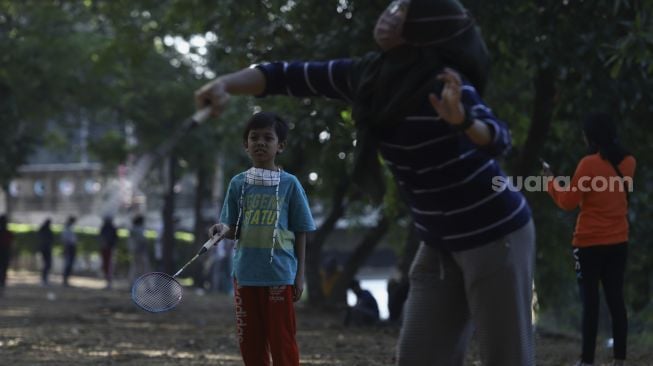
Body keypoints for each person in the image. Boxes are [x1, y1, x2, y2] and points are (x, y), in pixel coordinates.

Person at [195, 1, 535, 364]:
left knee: (506, 357)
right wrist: (225, 84)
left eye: (402, 9)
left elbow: (499, 139)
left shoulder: (446, 85)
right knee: (419, 357)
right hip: (438, 240)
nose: (389, 12)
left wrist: (463, 121)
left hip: (495, 236)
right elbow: (284, 75)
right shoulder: (368, 77)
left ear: (424, 25)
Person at [208, 112, 316, 366]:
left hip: (279, 275)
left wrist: (299, 275)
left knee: (282, 341)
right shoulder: (238, 184)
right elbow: (234, 229)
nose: (260, 142)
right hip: (245, 275)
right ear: (245, 144)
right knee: (251, 342)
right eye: (254, 137)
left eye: (268, 138)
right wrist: (220, 232)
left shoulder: (290, 184)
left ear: (281, 146)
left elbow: (301, 230)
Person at [543, 113, 635, 366]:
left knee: (590, 304)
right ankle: (620, 360)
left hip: (588, 244)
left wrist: (550, 181)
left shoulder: (588, 164)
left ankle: (587, 362)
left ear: (592, 137)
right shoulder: (629, 162)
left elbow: (567, 202)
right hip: (618, 242)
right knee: (616, 300)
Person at [128, 214, 150, 283]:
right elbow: (142, 241)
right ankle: (146, 285)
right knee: (142, 269)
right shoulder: (138, 229)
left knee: (135, 268)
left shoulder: (133, 229)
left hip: (136, 251)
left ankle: (133, 283)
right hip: (139, 251)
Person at [99, 216, 118, 289]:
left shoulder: (110, 228)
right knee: (106, 265)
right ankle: (107, 280)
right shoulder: (106, 228)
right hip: (106, 249)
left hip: (109, 249)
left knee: (109, 265)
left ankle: (108, 281)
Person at [61, 215, 77, 287]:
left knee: (69, 265)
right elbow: (66, 240)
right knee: (67, 264)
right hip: (69, 248)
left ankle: (66, 280)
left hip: (71, 248)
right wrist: (66, 249)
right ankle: (65, 281)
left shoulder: (70, 228)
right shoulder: (67, 228)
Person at [38, 218, 54, 286]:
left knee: (47, 265)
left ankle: (45, 279)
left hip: (46, 249)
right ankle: (44, 280)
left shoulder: (43, 230)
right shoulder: (45, 230)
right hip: (45, 249)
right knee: (46, 265)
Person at [0, 214, 13, 295]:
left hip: (4, 252)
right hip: (5, 253)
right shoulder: (8, 233)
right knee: (3, 270)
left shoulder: (8, 233)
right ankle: (2, 286)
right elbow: (11, 244)